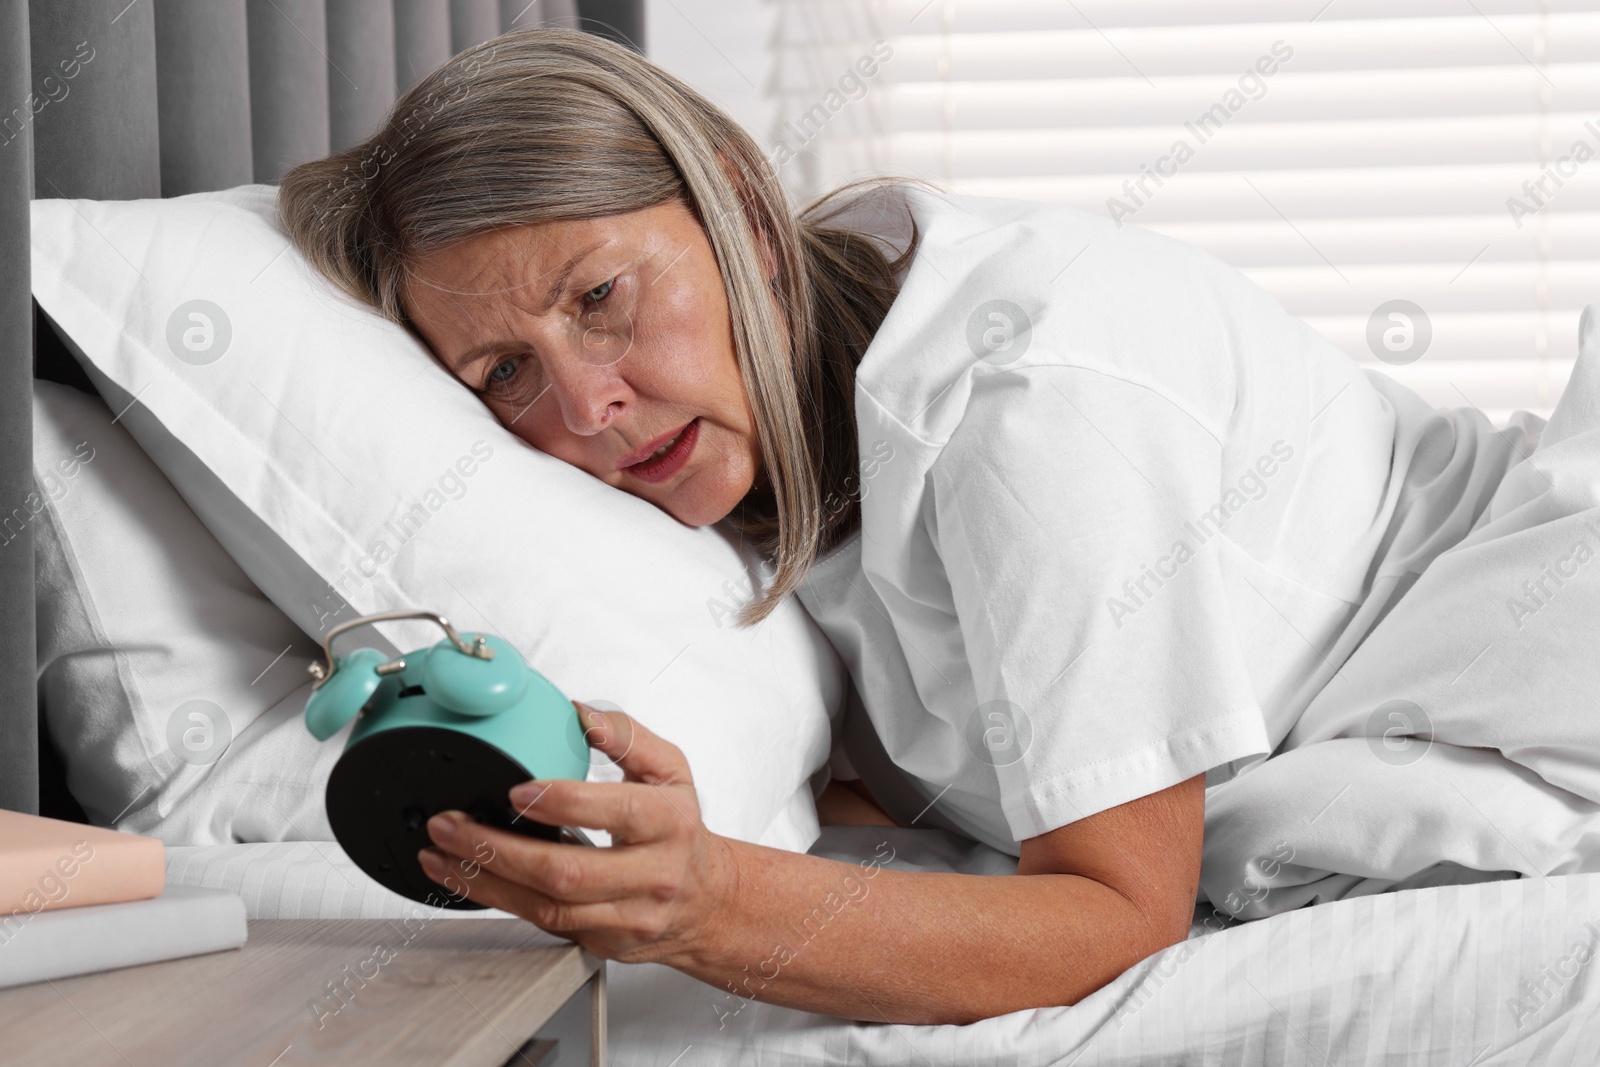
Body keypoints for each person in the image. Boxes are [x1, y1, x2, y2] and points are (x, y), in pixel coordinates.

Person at [276, 28, 1554, 1024]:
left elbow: (1120, 914)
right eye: (503, 373)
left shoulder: (1027, 401)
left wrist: (713, 901)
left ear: (739, 212)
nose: (588, 404)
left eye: (602, 297)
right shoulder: (756, 461)